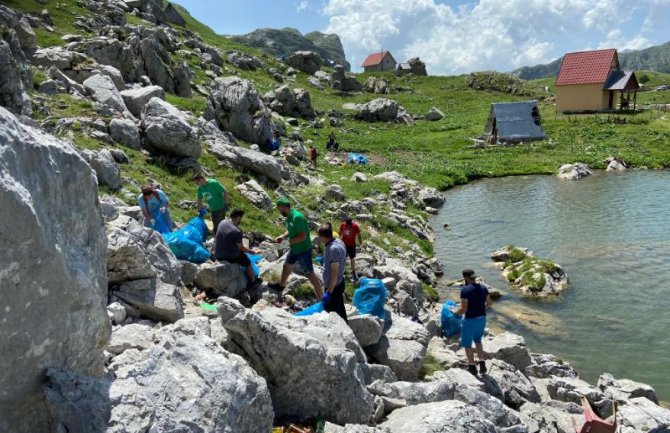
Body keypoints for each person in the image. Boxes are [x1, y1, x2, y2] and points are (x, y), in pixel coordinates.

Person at [269, 197, 323, 297]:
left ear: (285, 207)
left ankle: (322, 299)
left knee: (310, 275)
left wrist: (288, 242)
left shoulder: (297, 217)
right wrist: (283, 236)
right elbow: (292, 230)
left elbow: (303, 237)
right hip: (295, 249)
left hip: (303, 251)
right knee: (287, 265)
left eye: (280, 209)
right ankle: (281, 285)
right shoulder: (289, 216)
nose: (279, 212)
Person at [452, 269, 493, 376]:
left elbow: (464, 309)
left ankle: (472, 367)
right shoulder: (483, 287)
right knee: (478, 341)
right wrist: (480, 308)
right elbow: (489, 303)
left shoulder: (465, 290)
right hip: (482, 319)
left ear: (465, 278)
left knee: (467, 344)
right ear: (474, 277)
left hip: (470, 321)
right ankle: (482, 361)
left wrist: (455, 313)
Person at [214, 208, 261, 288]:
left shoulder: (223, 222)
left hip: (217, 252)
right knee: (247, 261)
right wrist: (252, 252)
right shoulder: (237, 231)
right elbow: (240, 248)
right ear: (239, 217)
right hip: (228, 256)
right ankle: (253, 281)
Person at [317, 223, 347, 321]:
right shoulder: (338, 241)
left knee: (331, 315)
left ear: (324, 236)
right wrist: (325, 259)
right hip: (340, 282)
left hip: (334, 286)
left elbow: (335, 273)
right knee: (341, 311)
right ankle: (346, 326)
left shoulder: (332, 249)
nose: (318, 239)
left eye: (319, 237)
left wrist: (329, 292)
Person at [339, 217, 362, 281]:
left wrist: (361, 244)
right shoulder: (343, 225)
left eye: (349, 224)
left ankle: (353, 271)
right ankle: (342, 271)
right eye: (347, 224)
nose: (348, 225)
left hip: (352, 245)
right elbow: (340, 232)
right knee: (343, 258)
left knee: (352, 258)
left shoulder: (355, 226)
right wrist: (338, 239)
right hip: (343, 244)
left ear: (351, 223)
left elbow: (359, 235)